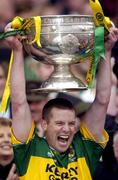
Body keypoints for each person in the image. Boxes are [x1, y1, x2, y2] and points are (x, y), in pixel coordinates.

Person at [4, 21, 118, 179]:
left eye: (71, 123)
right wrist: (17, 51)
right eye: (59, 123)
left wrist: (106, 50)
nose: (67, 129)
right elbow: (18, 103)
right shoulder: (30, 149)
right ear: (44, 124)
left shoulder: (84, 148)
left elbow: (102, 101)